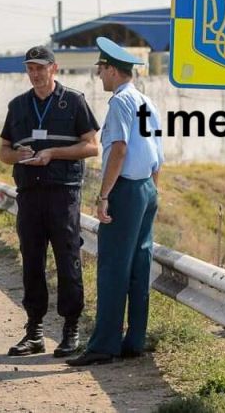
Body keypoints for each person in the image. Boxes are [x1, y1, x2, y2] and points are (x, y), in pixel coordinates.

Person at [67, 37, 164, 367]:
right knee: (139, 265)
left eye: (101, 70)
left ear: (112, 70)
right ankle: (134, 340)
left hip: (124, 190)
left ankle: (103, 346)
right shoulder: (146, 102)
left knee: (112, 268)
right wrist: (151, 193)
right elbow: (156, 156)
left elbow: (119, 149)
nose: (98, 76)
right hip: (146, 189)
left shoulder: (120, 103)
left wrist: (104, 195)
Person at [0, 46, 99, 358]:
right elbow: (3, 152)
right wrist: (19, 155)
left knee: (67, 260)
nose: (35, 73)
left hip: (63, 192)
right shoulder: (18, 106)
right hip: (29, 194)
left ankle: (71, 330)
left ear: (54, 69)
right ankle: (34, 331)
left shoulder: (74, 101)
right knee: (32, 262)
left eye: (41, 68)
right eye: (30, 68)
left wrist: (53, 153)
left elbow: (92, 146)